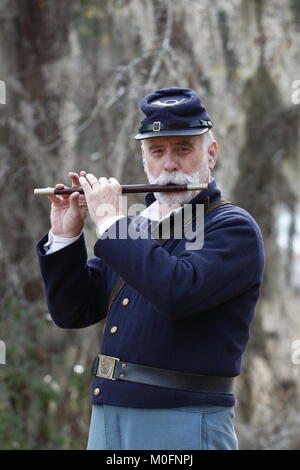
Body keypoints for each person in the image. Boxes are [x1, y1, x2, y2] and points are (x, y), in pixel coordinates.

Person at [36, 87, 265, 450]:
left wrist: (111, 222)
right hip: (107, 417)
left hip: (184, 420)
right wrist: (66, 237)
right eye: (157, 151)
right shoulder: (138, 226)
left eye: (183, 149)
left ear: (211, 154)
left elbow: (176, 291)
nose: (169, 164)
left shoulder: (231, 226)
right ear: (144, 159)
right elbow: (73, 312)